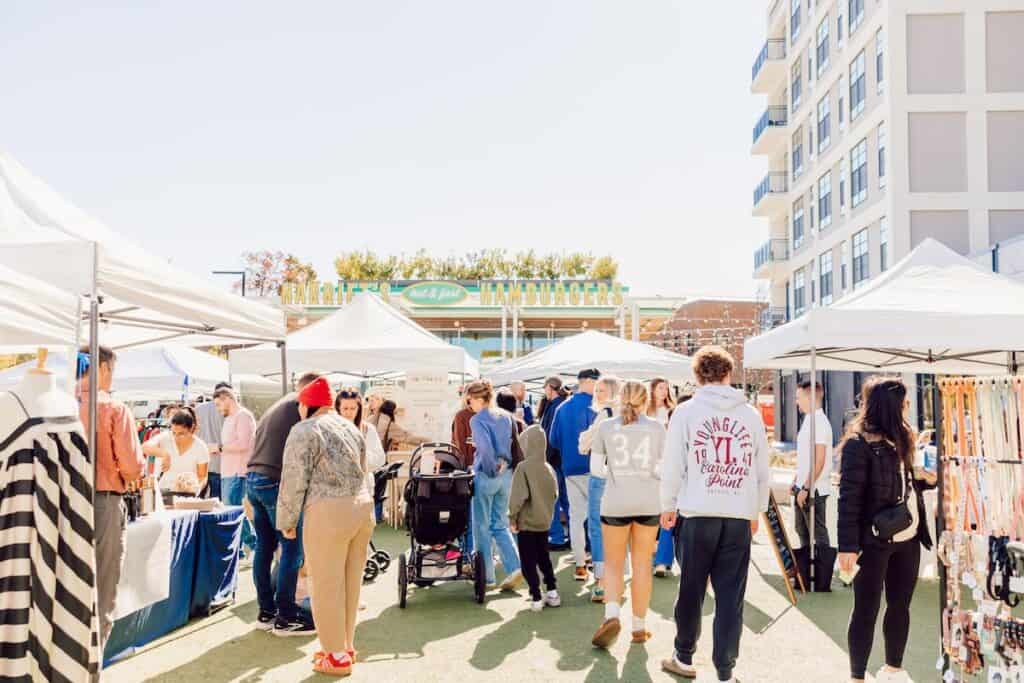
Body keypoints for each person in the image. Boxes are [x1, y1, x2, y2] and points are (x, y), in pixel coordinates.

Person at [660, 346, 770, 682]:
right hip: (737, 513)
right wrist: (757, 510)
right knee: (730, 596)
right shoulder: (749, 415)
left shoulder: (686, 412)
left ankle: (683, 655)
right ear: (728, 374)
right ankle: (725, 669)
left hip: (697, 512)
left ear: (697, 376)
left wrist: (667, 504)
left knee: (691, 589)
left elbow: (673, 464)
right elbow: (760, 468)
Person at [837, 377, 936, 683]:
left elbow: (902, 484)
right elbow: (849, 498)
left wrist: (924, 480)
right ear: (892, 405)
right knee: (866, 608)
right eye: (904, 402)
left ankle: (893, 668)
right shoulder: (858, 443)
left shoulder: (904, 436)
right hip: (873, 538)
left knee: (900, 606)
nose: (908, 406)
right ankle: (857, 676)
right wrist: (847, 547)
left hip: (908, 535)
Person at [277, 377, 375, 677]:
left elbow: (294, 479)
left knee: (325, 585)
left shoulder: (303, 430)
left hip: (327, 511)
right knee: (349, 583)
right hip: (362, 507)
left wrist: (287, 521)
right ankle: (344, 647)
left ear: (306, 405)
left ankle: (334, 655)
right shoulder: (350, 426)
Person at [77, 345, 147, 651]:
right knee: (103, 590)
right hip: (103, 500)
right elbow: (133, 467)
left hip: (61, 499)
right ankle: (92, 665)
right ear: (103, 368)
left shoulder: (59, 403)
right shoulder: (113, 408)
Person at [590, 381, 667, 649]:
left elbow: (596, 470)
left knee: (613, 563)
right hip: (648, 502)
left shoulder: (606, 427)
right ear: (646, 401)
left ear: (620, 399)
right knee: (643, 564)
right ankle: (639, 627)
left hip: (615, 502)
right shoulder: (657, 428)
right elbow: (664, 467)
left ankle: (611, 615)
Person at [246, 372, 321, 636]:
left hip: (254, 478)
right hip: (275, 482)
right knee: (292, 548)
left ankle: (266, 611)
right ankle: (287, 615)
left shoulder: (278, 405)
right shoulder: (301, 405)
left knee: (264, 546)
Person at [466, 380, 523, 590]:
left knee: (481, 527)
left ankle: (487, 576)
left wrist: (490, 468)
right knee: (499, 524)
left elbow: (485, 448)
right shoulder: (507, 416)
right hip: (507, 474)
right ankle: (515, 567)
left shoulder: (477, 420)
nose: (468, 403)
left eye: (469, 399)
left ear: (478, 398)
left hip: (487, 474)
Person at [549, 368, 601, 581]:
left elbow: (553, 440)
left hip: (571, 468)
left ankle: (580, 564)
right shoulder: (599, 407)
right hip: (597, 469)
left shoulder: (562, 408)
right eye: (597, 382)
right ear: (588, 381)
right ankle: (599, 570)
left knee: (576, 518)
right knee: (597, 521)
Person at [578, 375, 622, 602]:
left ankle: (602, 581)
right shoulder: (627, 415)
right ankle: (616, 577)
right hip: (623, 477)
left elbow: (584, 445)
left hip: (602, 475)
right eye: (597, 390)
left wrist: (585, 435)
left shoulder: (604, 415)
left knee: (597, 527)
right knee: (620, 527)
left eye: (602, 390)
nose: (598, 394)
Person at [508, 425, 561, 612]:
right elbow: (555, 494)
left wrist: (512, 518)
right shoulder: (548, 468)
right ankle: (552, 591)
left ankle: (536, 595)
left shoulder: (523, 468)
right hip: (544, 521)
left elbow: (517, 498)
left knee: (528, 561)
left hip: (526, 523)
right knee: (544, 557)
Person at [211, 387, 258, 555]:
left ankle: (255, 545)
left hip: (238, 471)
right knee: (232, 511)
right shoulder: (230, 418)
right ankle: (240, 550)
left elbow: (244, 444)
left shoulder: (243, 416)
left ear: (227, 399)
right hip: (229, 472)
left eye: (218, 404)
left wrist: (219, 447)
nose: (218, 409)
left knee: (233, 511)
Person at [335, 387, 386, 519]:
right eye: (345, 408)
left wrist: (356, 457)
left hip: (363, 490)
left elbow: (379, 458)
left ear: (359, 409)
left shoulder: (367, 429)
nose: (349, 413)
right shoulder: (330, 430)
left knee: (362, 534)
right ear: (338, 409)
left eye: (353, 408)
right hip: (337, 493)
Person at [794, 379, 833, 549]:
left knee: (818, 535)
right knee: (802, 531)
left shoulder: (819, 422)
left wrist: (806, 488)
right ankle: (806, 572)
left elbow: (819, 459)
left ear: (809, 398)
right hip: (803, 486)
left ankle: (821, 574)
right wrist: (796, 481)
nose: (797, 402)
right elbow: (806, 457)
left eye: (799, 397)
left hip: (814, 490)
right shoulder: (809, 420)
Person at [143, 407, 209, 492]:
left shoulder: (201, 447)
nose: (176, 437)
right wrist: (164, 454)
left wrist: (197, 489)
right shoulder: (165, 437)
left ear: (191, 428)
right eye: (174, 433)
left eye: (181, 434)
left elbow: (202, 477)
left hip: (187, 495)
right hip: (163, 492)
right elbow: (145, 447)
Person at [651, 377, 679, 578]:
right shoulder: (646, 411)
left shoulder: (674, 411)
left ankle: (662, 560)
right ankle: (659, 558)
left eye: (665, 388)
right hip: (652, 468)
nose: (663, 391)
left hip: (667, 468)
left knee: (667, 513)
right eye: (660, 387)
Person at [539, 376, 571, 550]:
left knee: (553, 499)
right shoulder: (562, 404)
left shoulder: (555, 406)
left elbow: (550, 437)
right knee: (566, 501)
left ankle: (557, 537)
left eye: (545, 387)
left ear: (550, 388)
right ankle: (573, 536)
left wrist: (545, 459)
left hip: (553, 460)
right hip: (562, 460)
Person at [195, 383, 230, 498]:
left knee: (198, 501)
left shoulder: (198, 409)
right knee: (217, 504)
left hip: (200, 462)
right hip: (221, 464)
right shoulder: (228, 410)